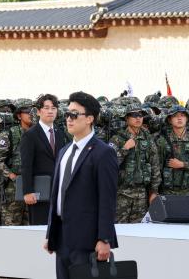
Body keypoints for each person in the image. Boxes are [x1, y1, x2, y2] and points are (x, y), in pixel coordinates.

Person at [45, 91, 118, 279]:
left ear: (89, 119)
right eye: (67, 114)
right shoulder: (64, 151)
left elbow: (107, 199)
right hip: (62, 237)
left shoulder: (103, 153)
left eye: (74, 114)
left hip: (88, 240)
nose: (69, 119)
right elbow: (57, 195)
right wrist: (50, 233)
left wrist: (104, 238)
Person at [20, 94, 68, 225]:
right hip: (38, 192)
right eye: (46, 108)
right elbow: (26, 165)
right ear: (39, 111)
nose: (50, 111)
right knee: (40, 230)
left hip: (58, 191)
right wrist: (28, 191)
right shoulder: (30, 135)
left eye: (53, 108)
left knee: (58, 230)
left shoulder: (60, 133)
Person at [110, 104, 161, 223]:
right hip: (121, 193)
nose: (138, 118)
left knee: (139, 230)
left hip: (141, 194)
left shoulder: (148, 139)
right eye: (134, 115)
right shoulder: (117, 139)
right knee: (119, 230)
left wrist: (154, 191)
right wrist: (124, 149)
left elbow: (155, 166)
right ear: (127, 119)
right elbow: (110, 164)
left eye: (141, 115)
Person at [0, 99, 34, 226]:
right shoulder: (9, 134)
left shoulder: (39, 134)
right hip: (13, 187)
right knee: (12, 226)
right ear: (19, 115)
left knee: (32, 227)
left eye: (33, 111)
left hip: (36, 184)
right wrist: (12, 176)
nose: (31, 114)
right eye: (27, 111)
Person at [156, 105, 189, 196]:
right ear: (169, 120)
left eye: (182, 115)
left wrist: (183, 164)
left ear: (187, 118)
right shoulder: (162, 140)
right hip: (167, 191)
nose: (179, 118)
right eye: (175, 116)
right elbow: (157, 167)